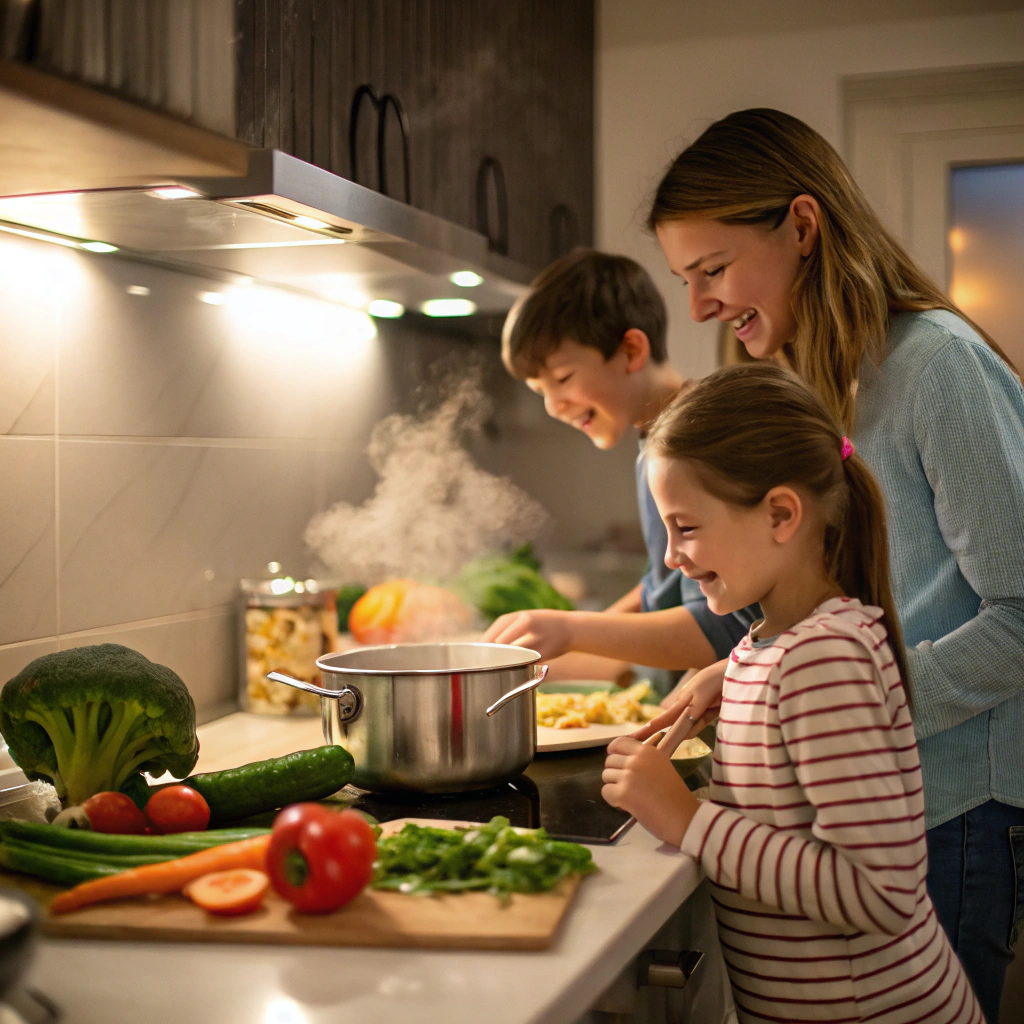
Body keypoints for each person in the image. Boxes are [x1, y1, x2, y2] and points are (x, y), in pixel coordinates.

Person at [493, 108, 1024, 1023]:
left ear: (804, 228)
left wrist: (848, 706)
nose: (697, 307)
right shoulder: (832, 377)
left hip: (953, 810)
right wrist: (729, 676)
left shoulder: (935, 365)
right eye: (685, 279)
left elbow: (1019, 616)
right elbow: (841, 603)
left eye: (713, 271)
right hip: (873, 794)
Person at [603, 362, 982, 1024]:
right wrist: (737, 676)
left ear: (780, 513)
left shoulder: (822, 658)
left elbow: (879, 892)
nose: (670, 557)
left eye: (685, 528)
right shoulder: (772, 643)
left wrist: (687, 819)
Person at [496, 248, 756, 689]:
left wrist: (573, 630)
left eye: (561, 379)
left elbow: (720, 630)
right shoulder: (655, 445)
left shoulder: (695, 446)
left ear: (631, 349)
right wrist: (564, 635)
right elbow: (665, 584)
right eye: (540, 390)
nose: (554, 406)